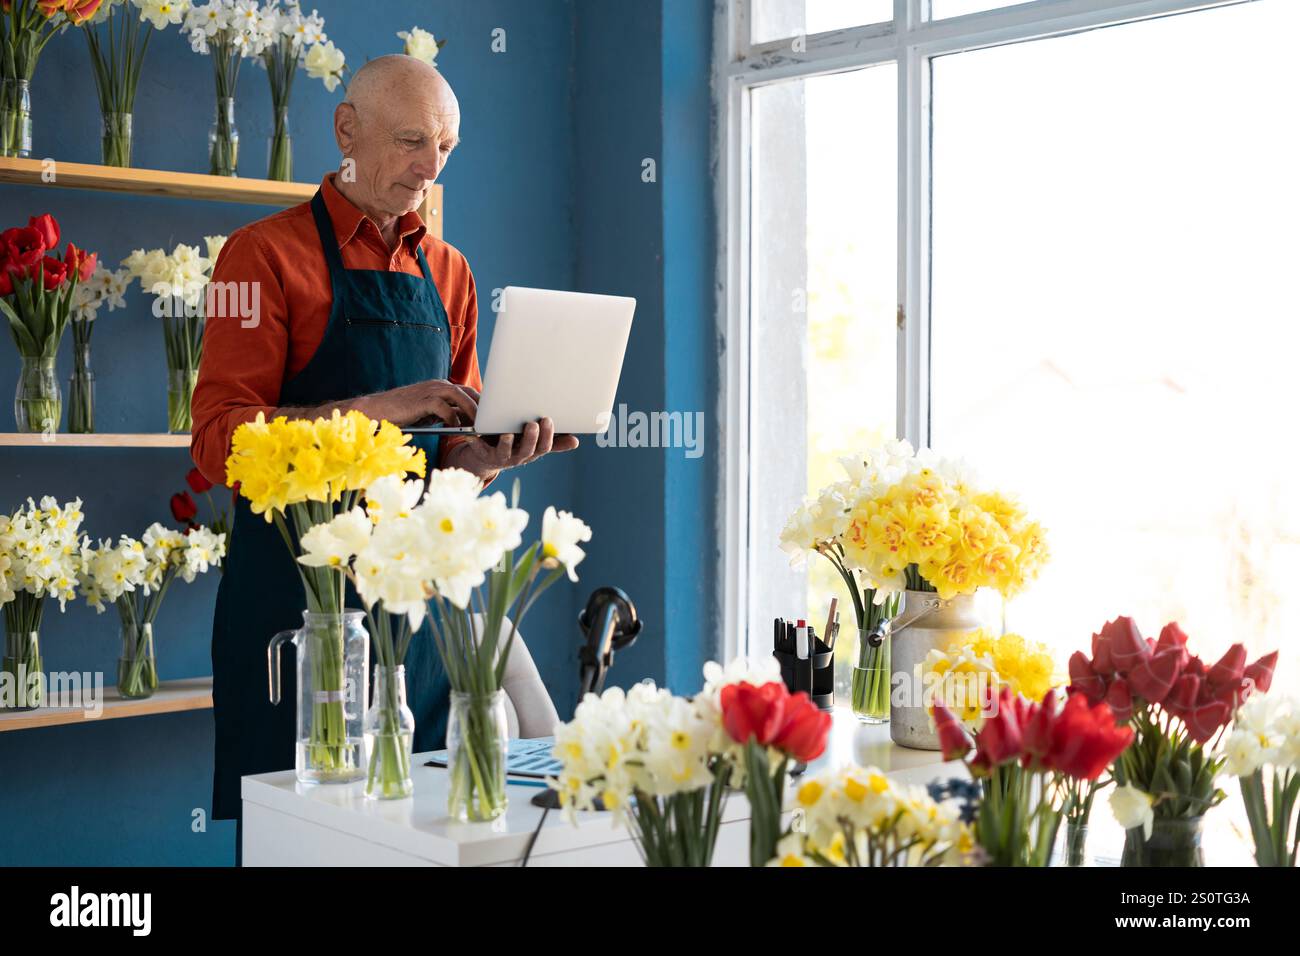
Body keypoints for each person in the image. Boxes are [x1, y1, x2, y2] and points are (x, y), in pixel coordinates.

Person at [189, 55, 577, 851]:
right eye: (410, 141)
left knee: (425, 842)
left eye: (446, 147)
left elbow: (447, 466)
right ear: (346, 130)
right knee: (301, 847)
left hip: (421, 625)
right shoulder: (259, 256)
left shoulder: (451, 272)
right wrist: (381, 412)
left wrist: (490, 457)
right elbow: (219, 442)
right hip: (301, 623)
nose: (430, 167)